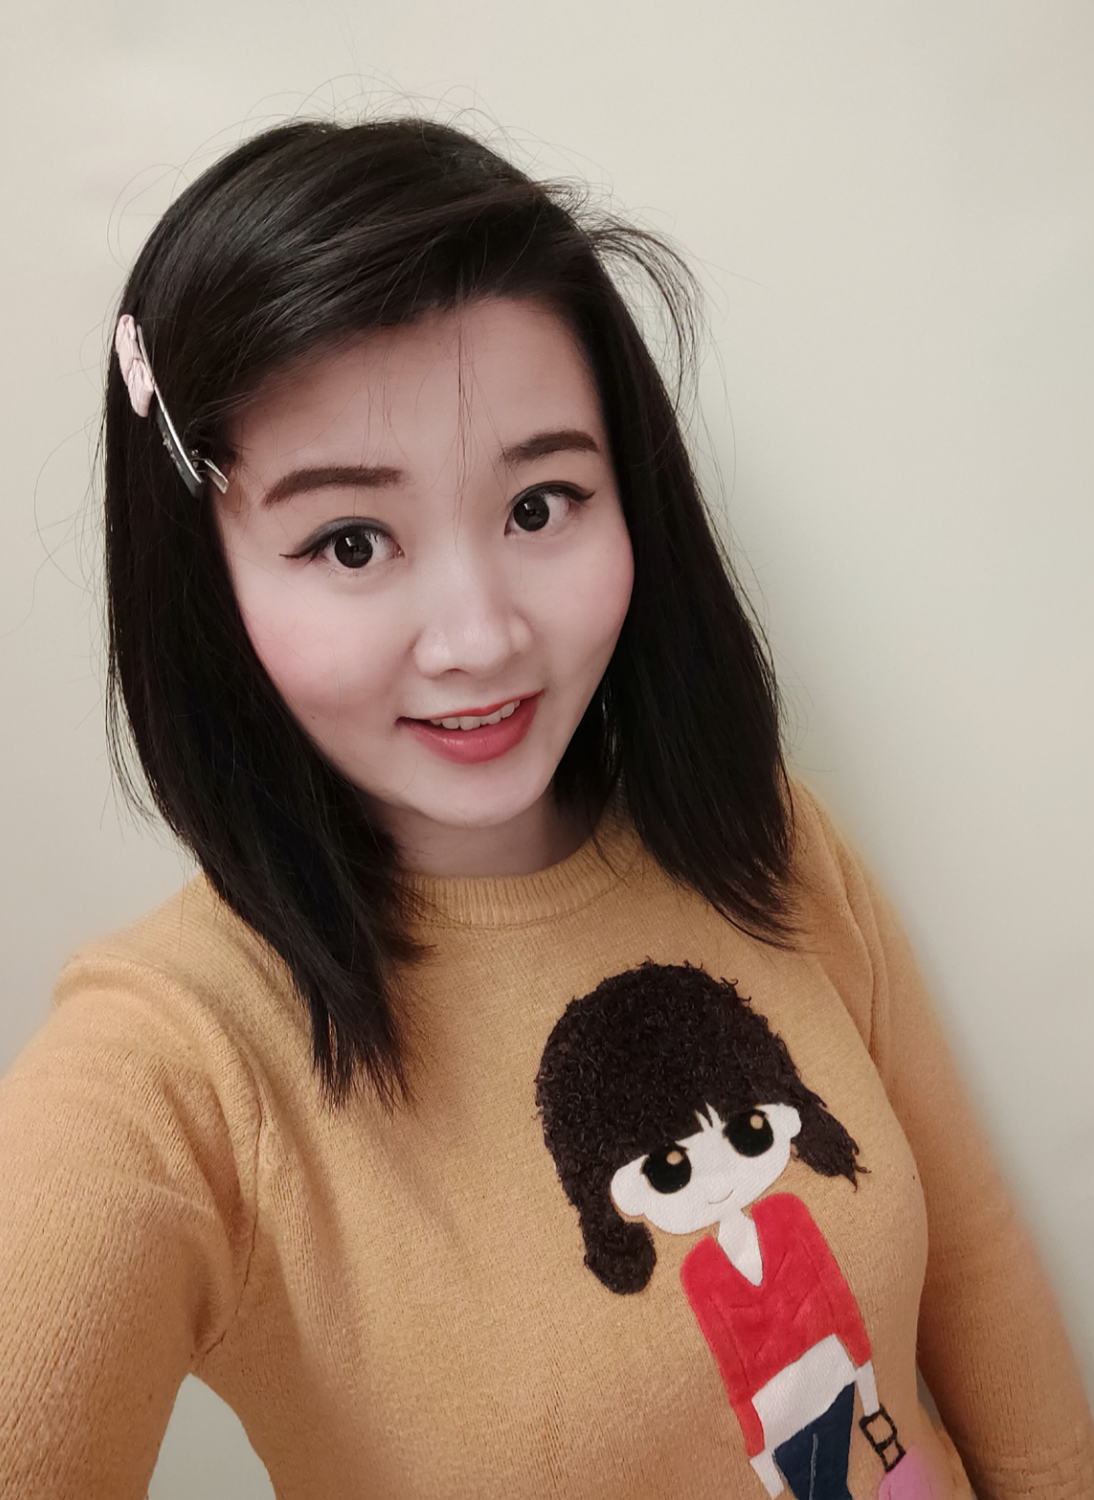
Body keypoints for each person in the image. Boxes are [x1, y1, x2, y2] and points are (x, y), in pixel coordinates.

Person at [0, 117, 1089, 1500]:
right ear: (201, 574)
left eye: (539, 505)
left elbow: (979, 1290)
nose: (479, 637)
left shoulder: (764, 841)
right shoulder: (171, 1068)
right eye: (350, 540)